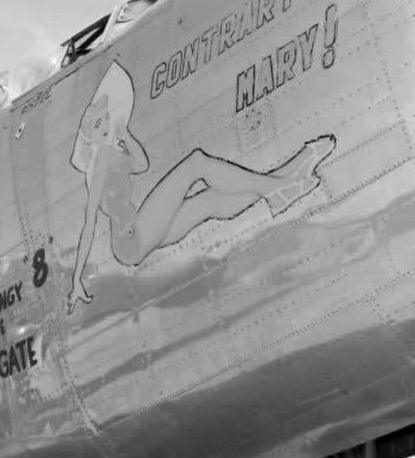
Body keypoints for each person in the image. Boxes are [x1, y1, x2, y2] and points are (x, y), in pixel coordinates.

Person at [68, 61, 335, 313]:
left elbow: (140, 163)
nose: (104, 126)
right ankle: (281, 186)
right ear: (88, 136)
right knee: (196, 163)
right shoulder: (101, 159)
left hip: (138, 233)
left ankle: (285, 178)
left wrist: (124, 134)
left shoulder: (112, 156)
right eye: (97, 125)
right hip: (132, 237)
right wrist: (77, 279)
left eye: (105, 118)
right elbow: (89, 221)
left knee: (209, 203)